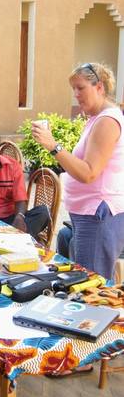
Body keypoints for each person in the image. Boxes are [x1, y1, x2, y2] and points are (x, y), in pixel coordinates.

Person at [31, 62, 124, 281]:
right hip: (89, 215)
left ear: (99, 87)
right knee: (85, 281)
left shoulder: (107, 121)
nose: (76, 94)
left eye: (80, 88)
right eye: (74, 89)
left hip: (99, 215)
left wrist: (54, 146)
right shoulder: (96, 119)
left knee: (92, 286)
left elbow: (89, 172)